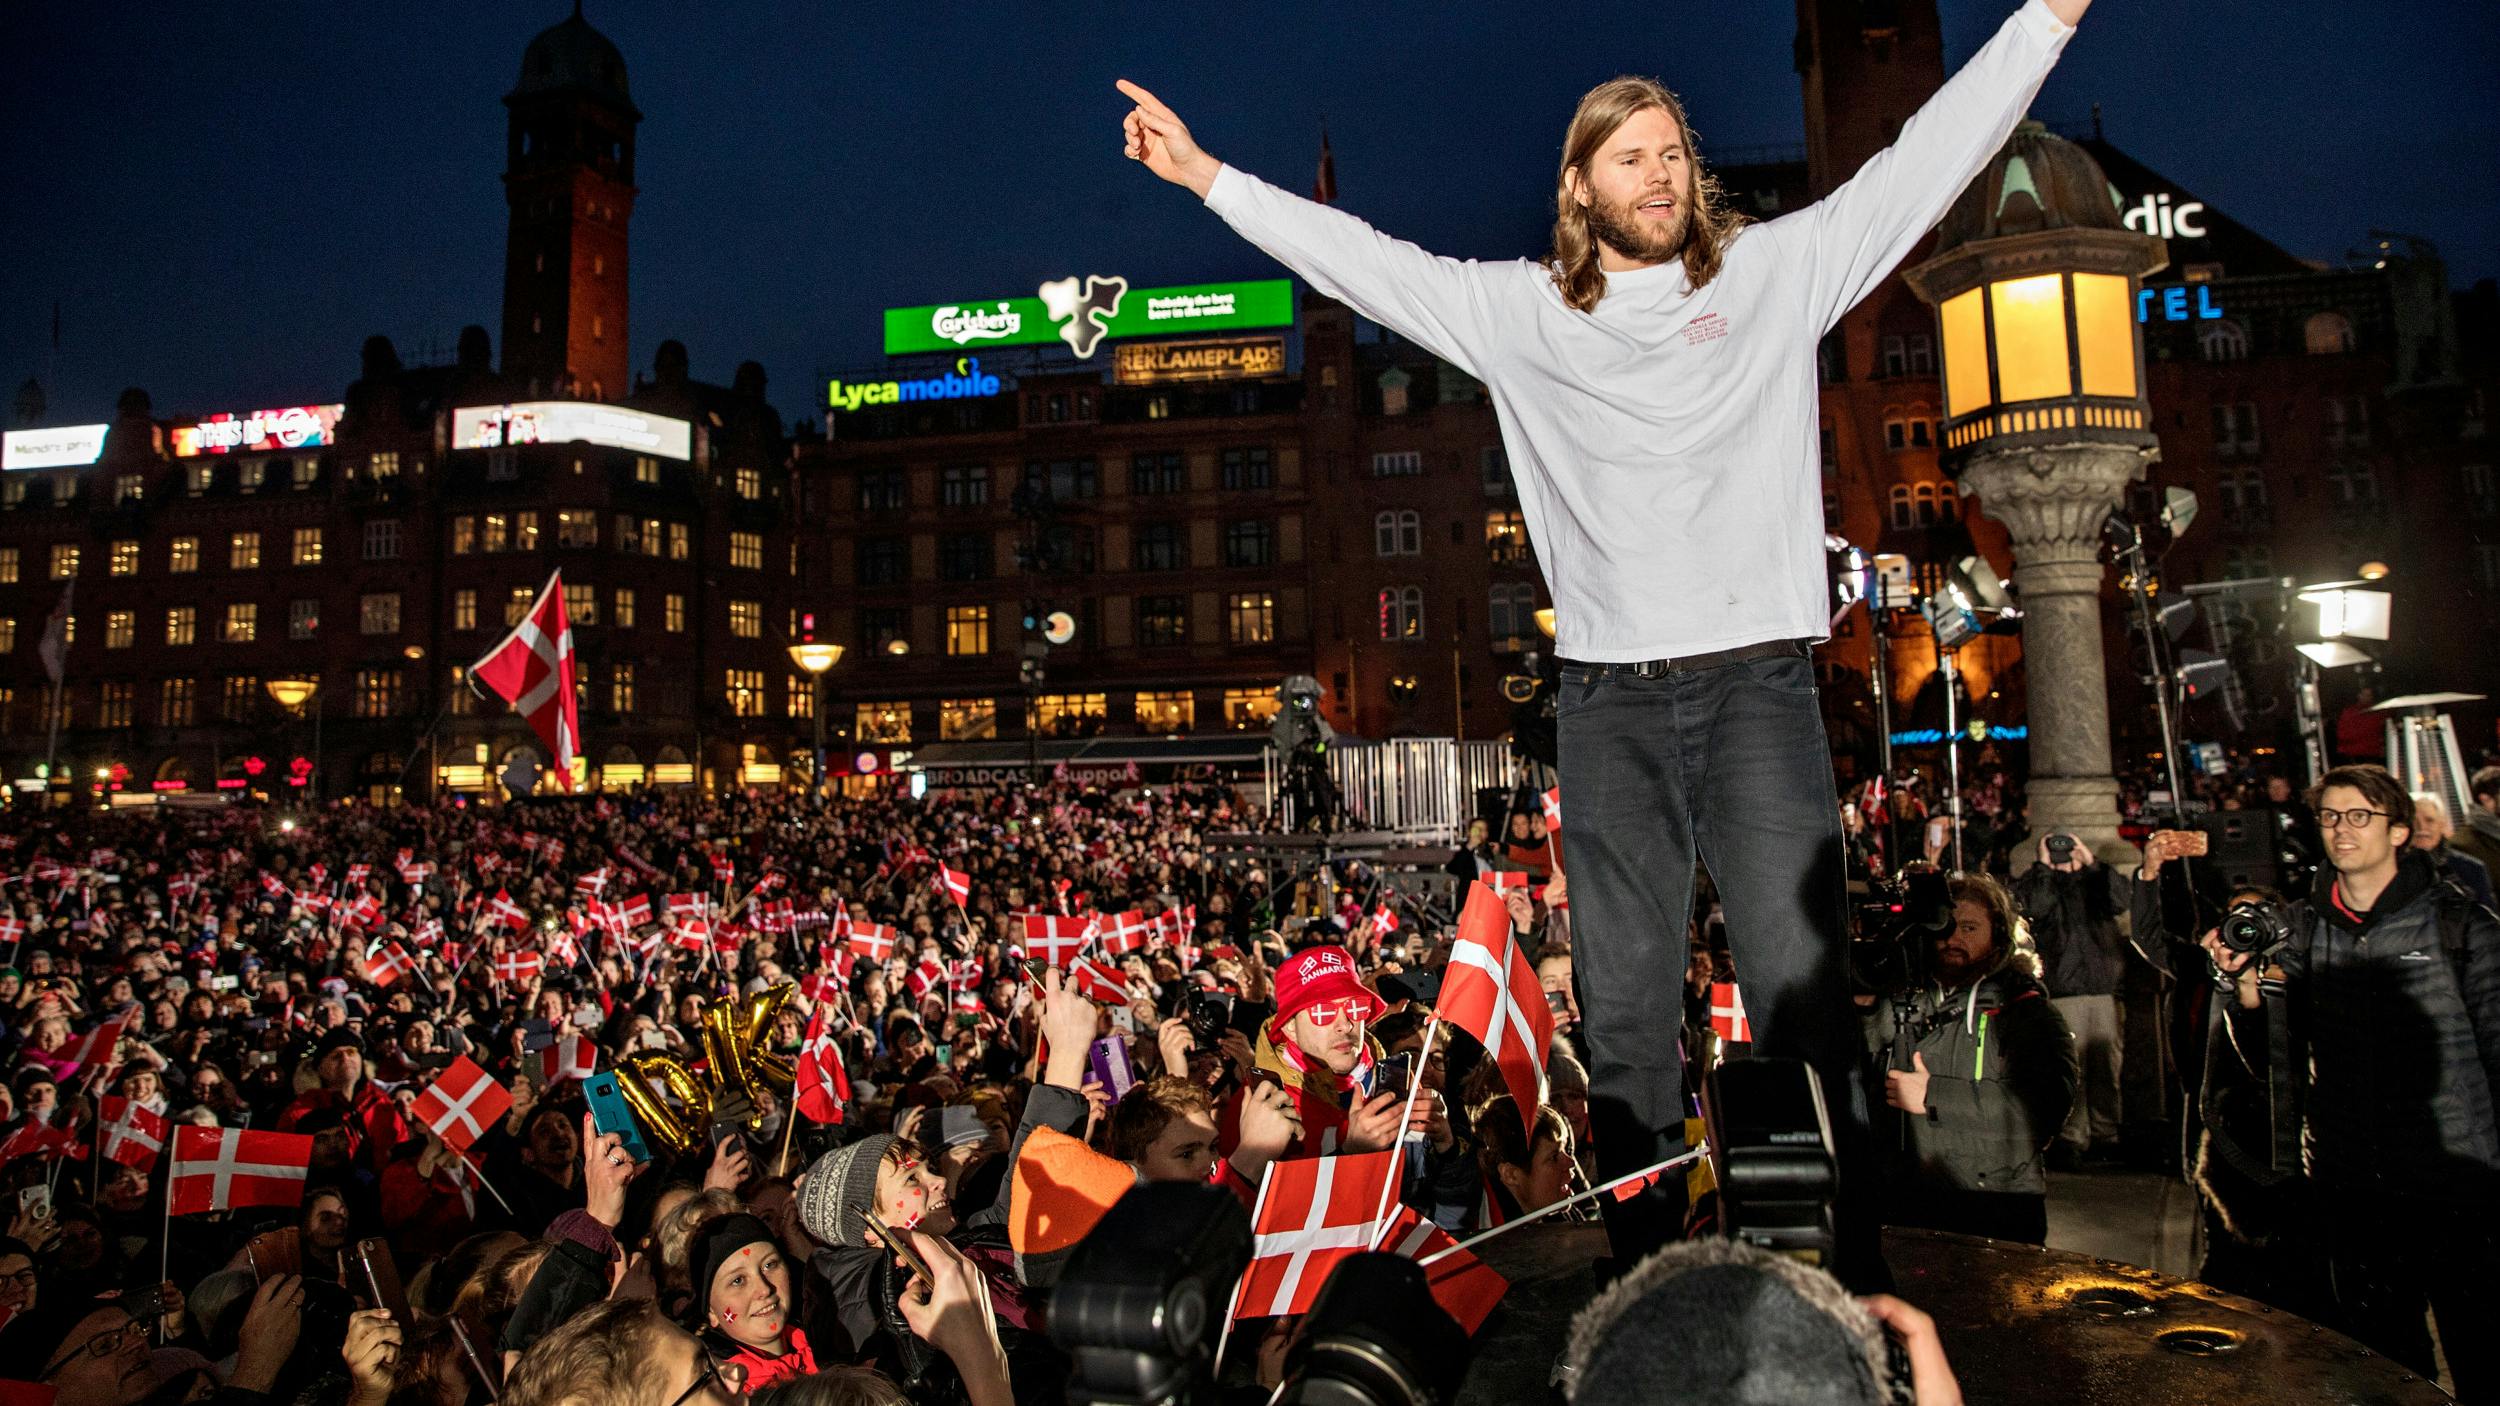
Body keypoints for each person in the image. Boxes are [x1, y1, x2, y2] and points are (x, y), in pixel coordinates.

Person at [1116, 0, 2093, 1282]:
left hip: (1756, 689)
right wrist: (1206, 179)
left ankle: (1856, 1284)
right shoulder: (1520, 313)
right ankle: (1646, 1280)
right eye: (1628, 155)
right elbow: (1360, 261)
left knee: (1804, 1006)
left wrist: (2042, 20)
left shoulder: (1772, 272)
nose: (1659, 172)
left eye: (1672, 151)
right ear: (1579, 185)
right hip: (1610, 701)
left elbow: (1922, 160)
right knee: (1627, 1017)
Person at [2199, 764, 2500, 1396]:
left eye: (2359, 816)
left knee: (2482, 1353)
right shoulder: (2303, 931)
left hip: (2458, 1184)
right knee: (2384, 1366)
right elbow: (2274, 1059)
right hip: (2352, 1184)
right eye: (2330, 816)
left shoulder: (2463, 928)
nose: (2341, 830)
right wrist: (2245, 987)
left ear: (2397, 832)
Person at [1861, 873, 2075, 1245]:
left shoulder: (2025, 1012)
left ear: (1999, 934)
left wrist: (1932, 1096)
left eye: (1970, 927)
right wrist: (1862, 1012)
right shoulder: (1898, 999)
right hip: (1904, 1201)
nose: (1953, 938)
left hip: (1994, 1207)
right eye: (1943, 926)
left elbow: (2037, 1114)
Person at [2012, 834, 2129, 1166]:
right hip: (2064, 989)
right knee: (2071, 1068)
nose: (2063, 853)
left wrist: (2091, 863)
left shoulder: (2095, 883)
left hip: (2101, 988)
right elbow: (2034, 907)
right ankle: (2071, 1139)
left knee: (2106, 1066)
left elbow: (2120, 900)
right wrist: (2044, 868)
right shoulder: (2038, 882)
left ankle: (2107, 1136)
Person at [2408, 791, 2495, 908]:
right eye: (2414, 821)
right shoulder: (2389, 868)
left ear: (2442, 825)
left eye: (2429, 820)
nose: (2422, 827)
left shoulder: (2471, 869)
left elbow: (2488, 919)